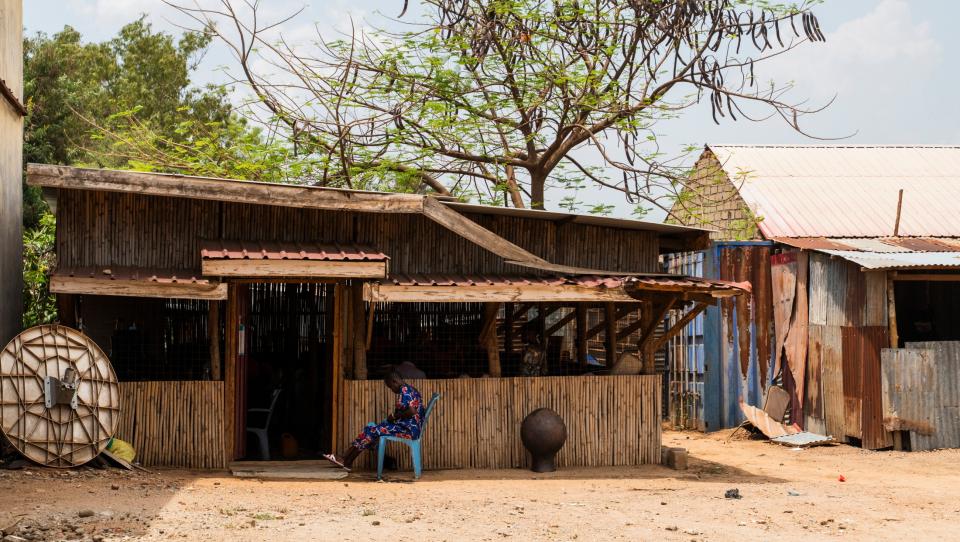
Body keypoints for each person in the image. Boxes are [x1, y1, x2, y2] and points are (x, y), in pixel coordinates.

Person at [324, 370, 425, 471]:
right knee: (370, 429)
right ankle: (346, 460)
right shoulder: (410, 389)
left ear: (394, 381)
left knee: (371, 431)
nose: (391, 390)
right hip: (408, 428)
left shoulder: (405, 390)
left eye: (390, 387)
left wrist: (394, 416)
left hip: (408, 430)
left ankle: (346, 459)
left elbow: (412, 411)